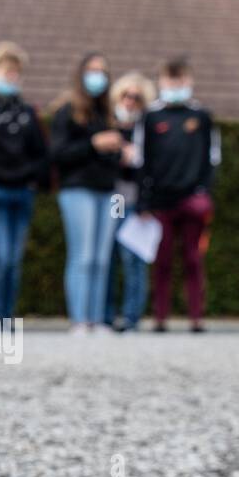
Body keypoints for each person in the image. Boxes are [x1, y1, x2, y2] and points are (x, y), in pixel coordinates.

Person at [0, 41, 50, 322]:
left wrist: (32, 180)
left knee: (14, 262)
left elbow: (41, 152)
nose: (11, 77)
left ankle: (4, 317)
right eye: (6, 71)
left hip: (21, 193)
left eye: (16, 73)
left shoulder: (26, 113)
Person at [140, 57, 220, 333]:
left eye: (181, 81)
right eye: (170, 81)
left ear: (189, 82)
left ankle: (196, 317)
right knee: (161, 261)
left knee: (193, 259)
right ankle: (160, 317)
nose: (176, 86)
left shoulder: (201, 117)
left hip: (191, 200)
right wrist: (144, 199)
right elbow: (143, 160)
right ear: (161, 83)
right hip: (161, 201)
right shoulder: (151, 117)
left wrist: (204, 192)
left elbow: (212, 159)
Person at [50, 52, 122, 334]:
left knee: (102, 258)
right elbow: (58, 154)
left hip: (107, 191)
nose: (97, 77)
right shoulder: (66, 111)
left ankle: (96, 319)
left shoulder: (107, 113)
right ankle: (79, 319)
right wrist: (93, 144)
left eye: (102, 71)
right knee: (83, 256)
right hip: (77, 190)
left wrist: (116, 149)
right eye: (92, 70)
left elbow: (113, 160)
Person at [103, 72, 155, 331]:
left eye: (136, 97)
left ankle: (131, 316)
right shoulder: (107, 125)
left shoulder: (146, 129)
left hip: (134, 201)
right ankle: (106, 315)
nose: (130, 101)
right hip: (109, 199)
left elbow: (151, 168)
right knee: (107, 258)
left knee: (133, 259)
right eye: (125, 95)